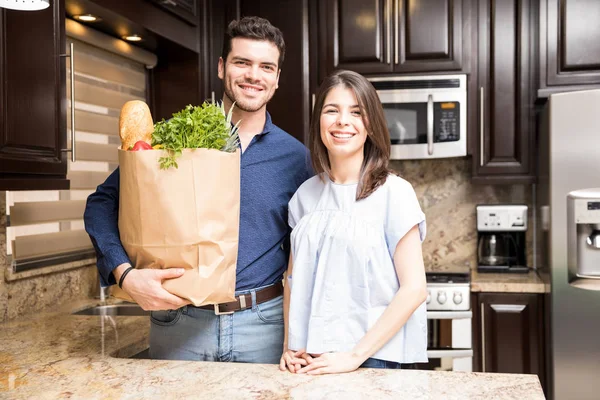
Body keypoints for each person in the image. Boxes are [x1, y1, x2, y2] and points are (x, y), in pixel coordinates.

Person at [84, 16, 312, 363]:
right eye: (242, 62)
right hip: (179, 322)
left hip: (263, 327)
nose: (254, 75)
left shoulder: (298, 159)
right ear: (222, 67)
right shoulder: (171, 140)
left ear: (277, 78)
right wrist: (125, 275)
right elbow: (101, 204)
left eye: (266, 66)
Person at [279, 70, 428, 375]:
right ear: (318, 121)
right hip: (311, 359)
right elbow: (292, 281)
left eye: (356, 112)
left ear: (370, 124)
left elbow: (414, 289)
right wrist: (289, 346)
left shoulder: (395, 193)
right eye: (331, 110)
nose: (342, 121)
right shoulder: (304, 196)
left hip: (374, 358)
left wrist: (354, 356)